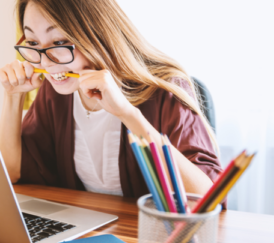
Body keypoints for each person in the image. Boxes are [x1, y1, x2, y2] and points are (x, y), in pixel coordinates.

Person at [0, 0, 223, 199]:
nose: (46, 63)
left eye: (59, 42)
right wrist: (13, 96)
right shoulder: (56, 93)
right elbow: (12, 172)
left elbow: (207, 199)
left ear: (97, 33)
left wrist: (127, 113)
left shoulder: (165, 90)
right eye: (32, 43)